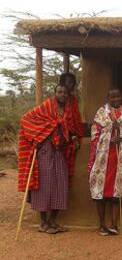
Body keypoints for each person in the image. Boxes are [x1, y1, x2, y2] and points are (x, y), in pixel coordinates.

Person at [18, 85, 76, 234]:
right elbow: (25, 119)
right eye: (59, 92)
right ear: (55, 94)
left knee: (61, 185)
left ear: (68, 95)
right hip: (44, 151)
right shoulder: (47, 106)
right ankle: (43, 223)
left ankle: (52, 221)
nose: (62, 95)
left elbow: (66, 130)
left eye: (65, 92)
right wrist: (38, 135)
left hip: (58, 152)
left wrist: (71, 137)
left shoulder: (67, 112)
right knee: (43, 186)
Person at [88, 88, 122, 236]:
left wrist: (121, 134)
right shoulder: (101, 113)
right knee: (101, 194)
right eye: (112, 97)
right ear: (107, 98)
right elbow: (94, 132)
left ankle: (114, 225)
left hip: (119, 158)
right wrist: (109, 138)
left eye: (118, 96)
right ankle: (102, 225)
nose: (116, 99)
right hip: (103, 159)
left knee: (117, 194)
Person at [59, 73, 84, 182]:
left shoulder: (73, 99)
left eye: (71, 82)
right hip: (63, 135)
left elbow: (75, 117)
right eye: (67, 82)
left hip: (74, 132)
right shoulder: (60, 99)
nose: (69, 84)